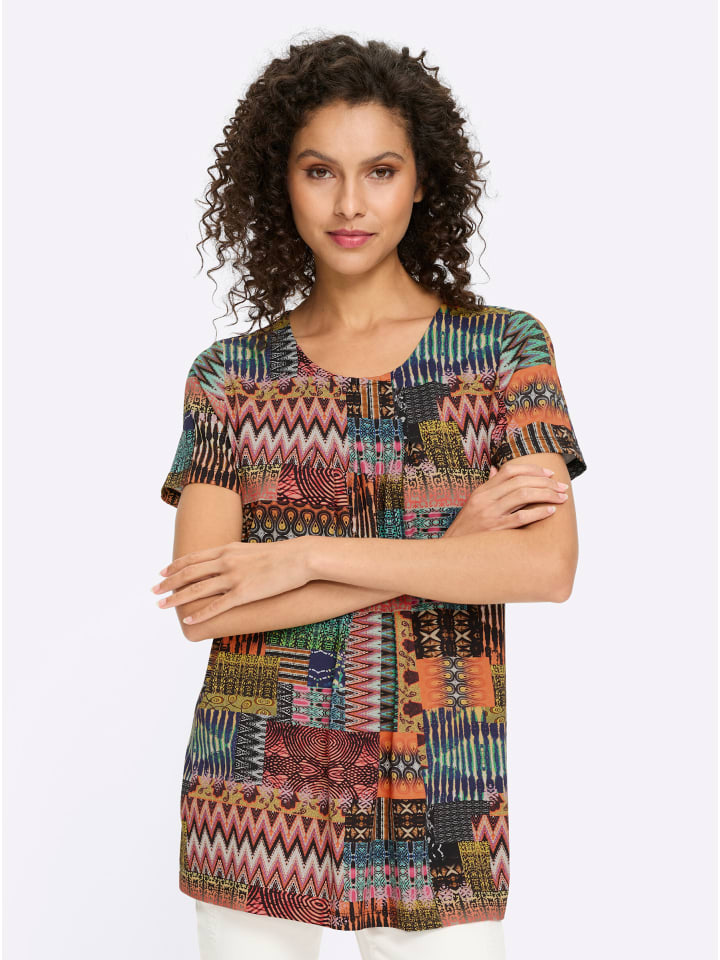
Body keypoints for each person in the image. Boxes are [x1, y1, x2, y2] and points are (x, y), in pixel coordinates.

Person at [153, 33, 587, 960]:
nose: (350, 203)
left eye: (380, 171)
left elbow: (546, 569)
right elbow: (203, 606)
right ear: (281, 183)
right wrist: (453, 550)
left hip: (442, 789)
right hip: (256, 791)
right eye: (320, 171)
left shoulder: (503, 351)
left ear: (422, 182)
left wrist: (300, 558)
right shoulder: (230, 378)